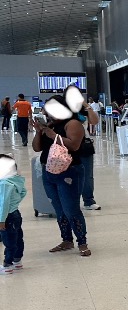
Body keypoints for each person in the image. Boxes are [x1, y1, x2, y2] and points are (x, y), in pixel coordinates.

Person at [32, 96, 92, 257]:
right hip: (48, 172)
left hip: (69, 171)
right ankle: (66, 240)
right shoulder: (50, 125)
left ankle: (82, 242)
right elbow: (37, 148)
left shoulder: (72, 124)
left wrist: (53, 135)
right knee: (59, 209)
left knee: (71, 209)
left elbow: (74, 145)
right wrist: (39, 132)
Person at [0, 154, 27, 274]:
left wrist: (1, 220)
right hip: (15, 213)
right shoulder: (16, 180)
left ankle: (7, 265)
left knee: (9, 240)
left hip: (7, 216)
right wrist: (15, 203)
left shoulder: (4, 184)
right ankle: (17, 261)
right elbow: (23, 192)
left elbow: (4, 204)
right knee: (17, 237)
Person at [78, 100, 101, 210]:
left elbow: (95, 121)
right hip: (68, 144)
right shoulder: (64, 110)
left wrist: (87, 106)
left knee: (87, 175)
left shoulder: (83, 111)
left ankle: (88, 200)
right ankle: (71, 200)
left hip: (84, 145)